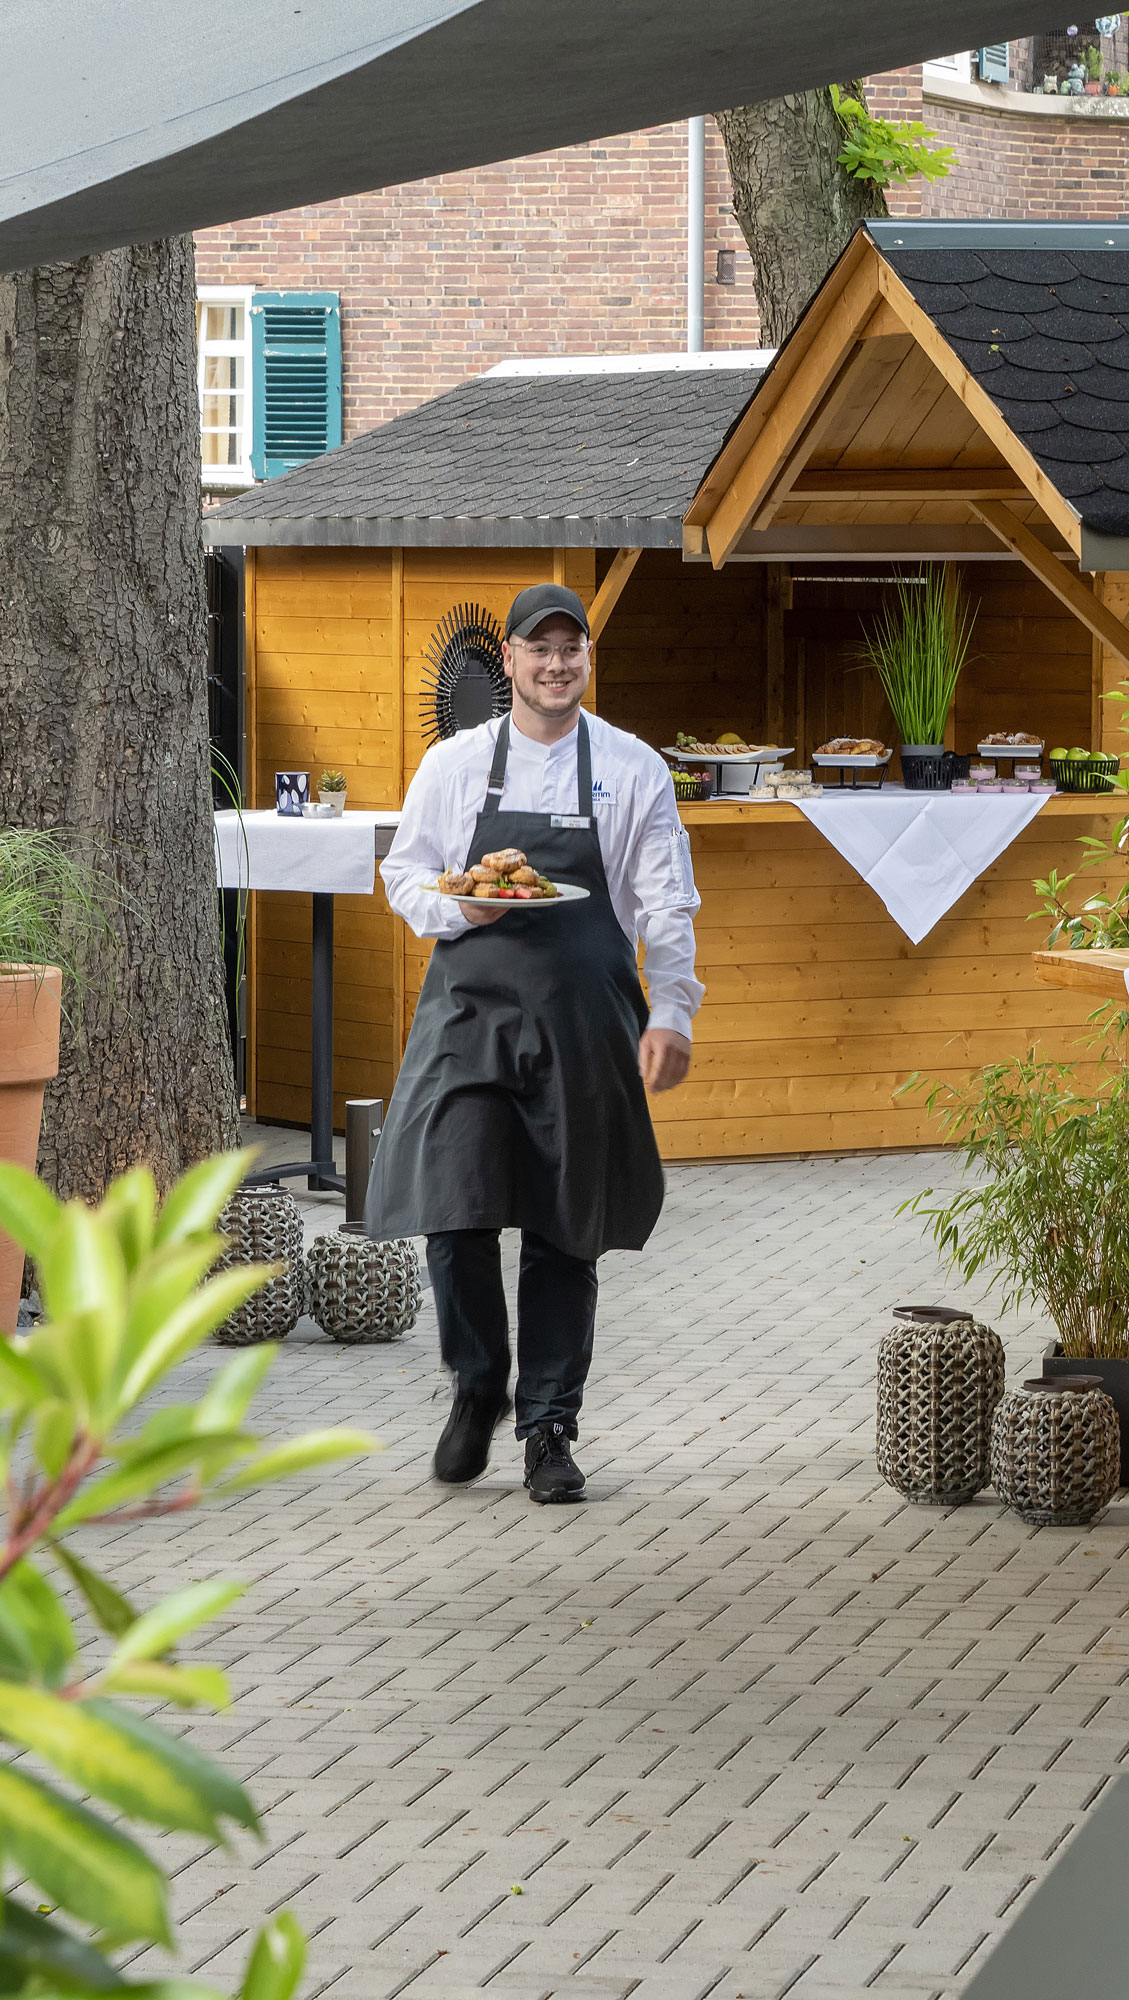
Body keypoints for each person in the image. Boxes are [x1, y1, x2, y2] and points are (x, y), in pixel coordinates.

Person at [373, 582, 702, 1503]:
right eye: (539, 649)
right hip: (470, 1007)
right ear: (508, 661)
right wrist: (458, 903)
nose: (556, 665)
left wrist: (672, 1012)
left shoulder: (632, 768)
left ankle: (549, 1427)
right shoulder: (454, 765)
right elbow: (405, 873)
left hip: (584, 1015)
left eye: (572, 649)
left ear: (586, 660)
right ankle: (478, 1382)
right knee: (454, 1197)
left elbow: (665, 904)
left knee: (569, 1224)